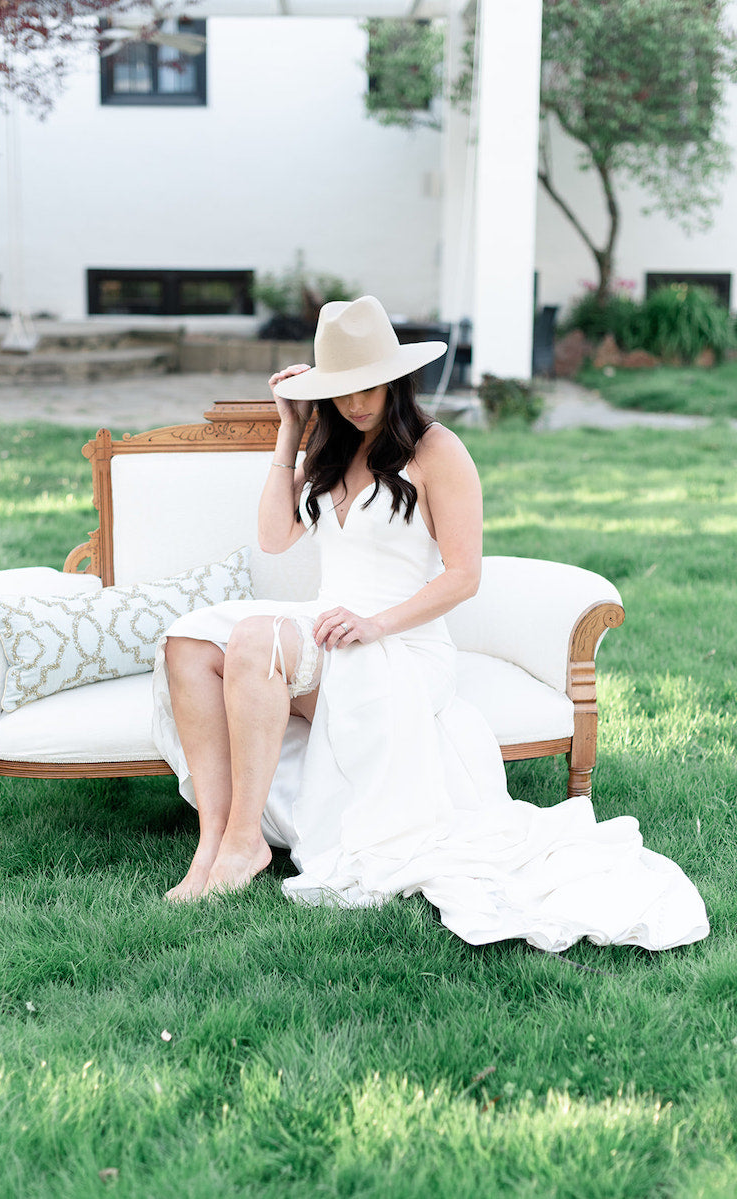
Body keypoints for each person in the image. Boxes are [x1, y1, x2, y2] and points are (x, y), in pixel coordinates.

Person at [152, 295, 709, 952]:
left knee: (255, 639)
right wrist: (289, 428)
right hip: (330, 624)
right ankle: (214, 842)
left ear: (396, 378)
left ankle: (246, 843)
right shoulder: (331, 448)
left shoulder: (436, 449)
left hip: (401, 642)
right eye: (341, 391)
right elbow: (275, 536)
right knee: (188, 640)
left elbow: (462, 575)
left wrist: (375, 623)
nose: (356, 403)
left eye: (368, 387)